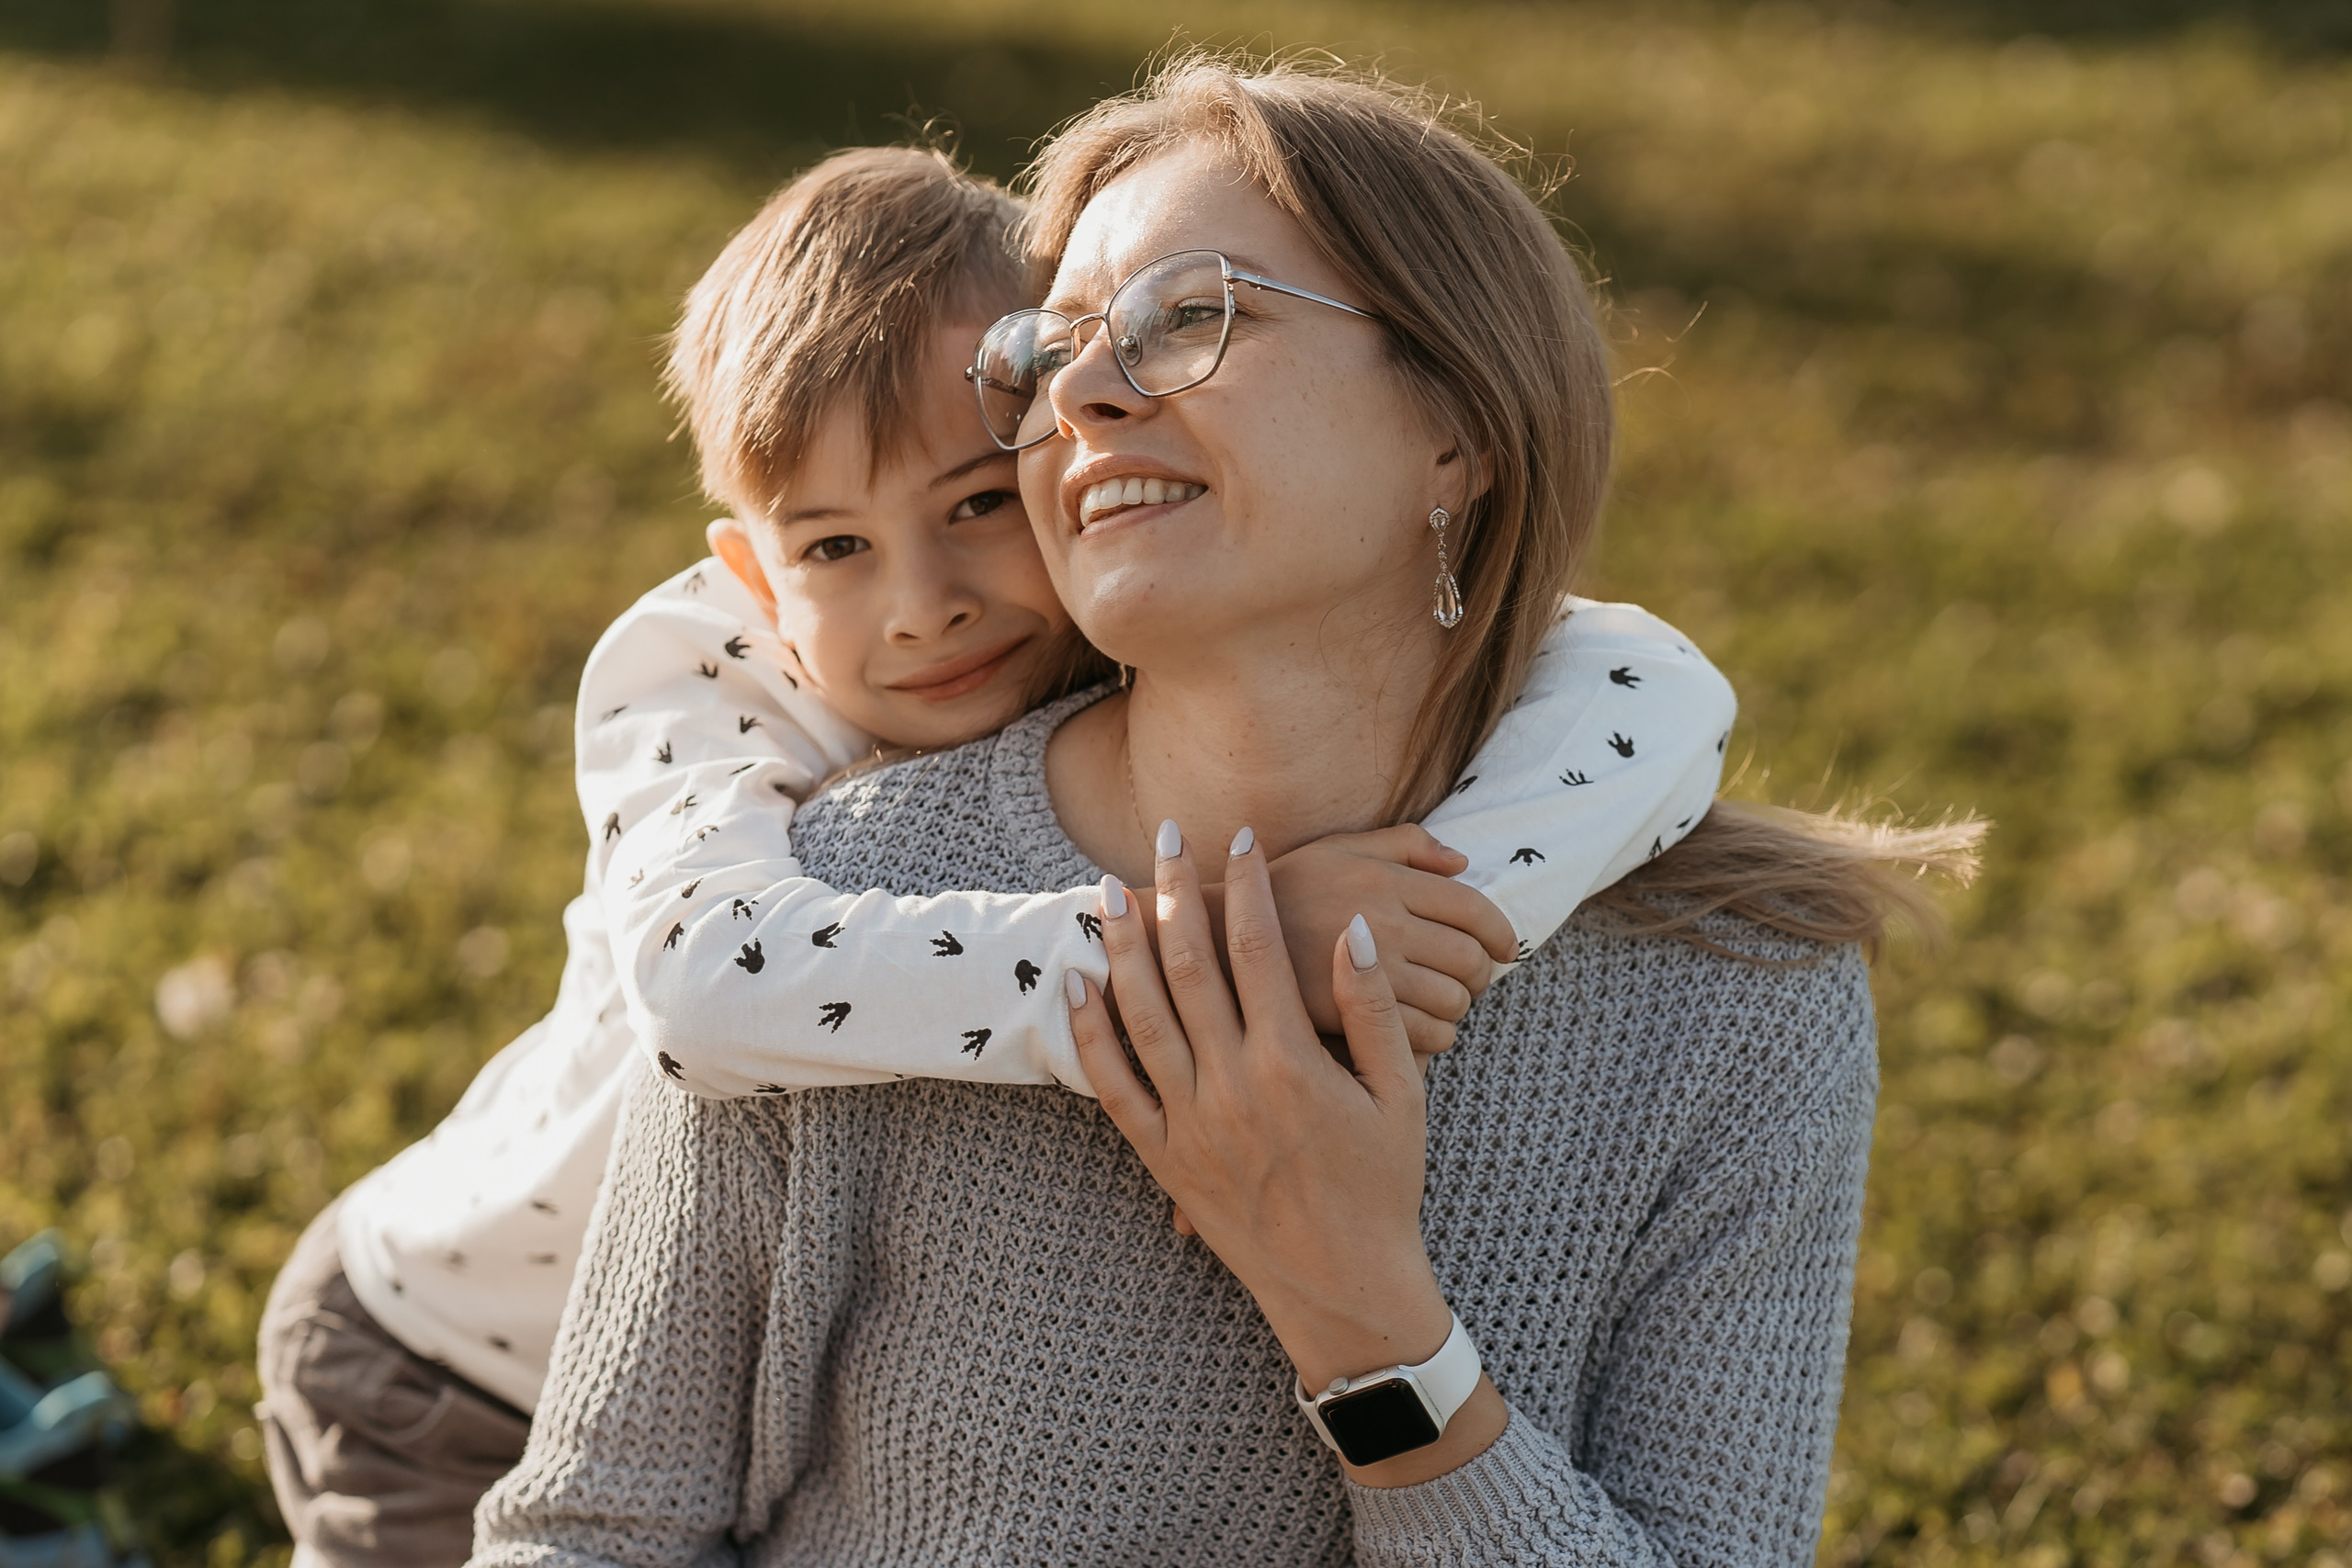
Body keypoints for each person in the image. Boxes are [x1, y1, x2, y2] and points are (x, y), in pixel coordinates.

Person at [469, 56, 1981, 1568]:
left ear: (1455, 422)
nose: (1084, 396)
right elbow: (592, 1533)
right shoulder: (846, 922)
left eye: (1192, 317)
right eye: (1047, 356)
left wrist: (1364, 1317)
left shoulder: (1738, 988)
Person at [256, 140, 1735, 1567]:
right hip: (447, 1359)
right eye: (835, 548)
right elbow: (704, 987)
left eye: (976, 504)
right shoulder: (704, 665)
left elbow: (1658, 687)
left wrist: (1422, 924)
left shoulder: (1127, 607)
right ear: (753, 572)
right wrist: (1222, 956)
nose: (924, 607)